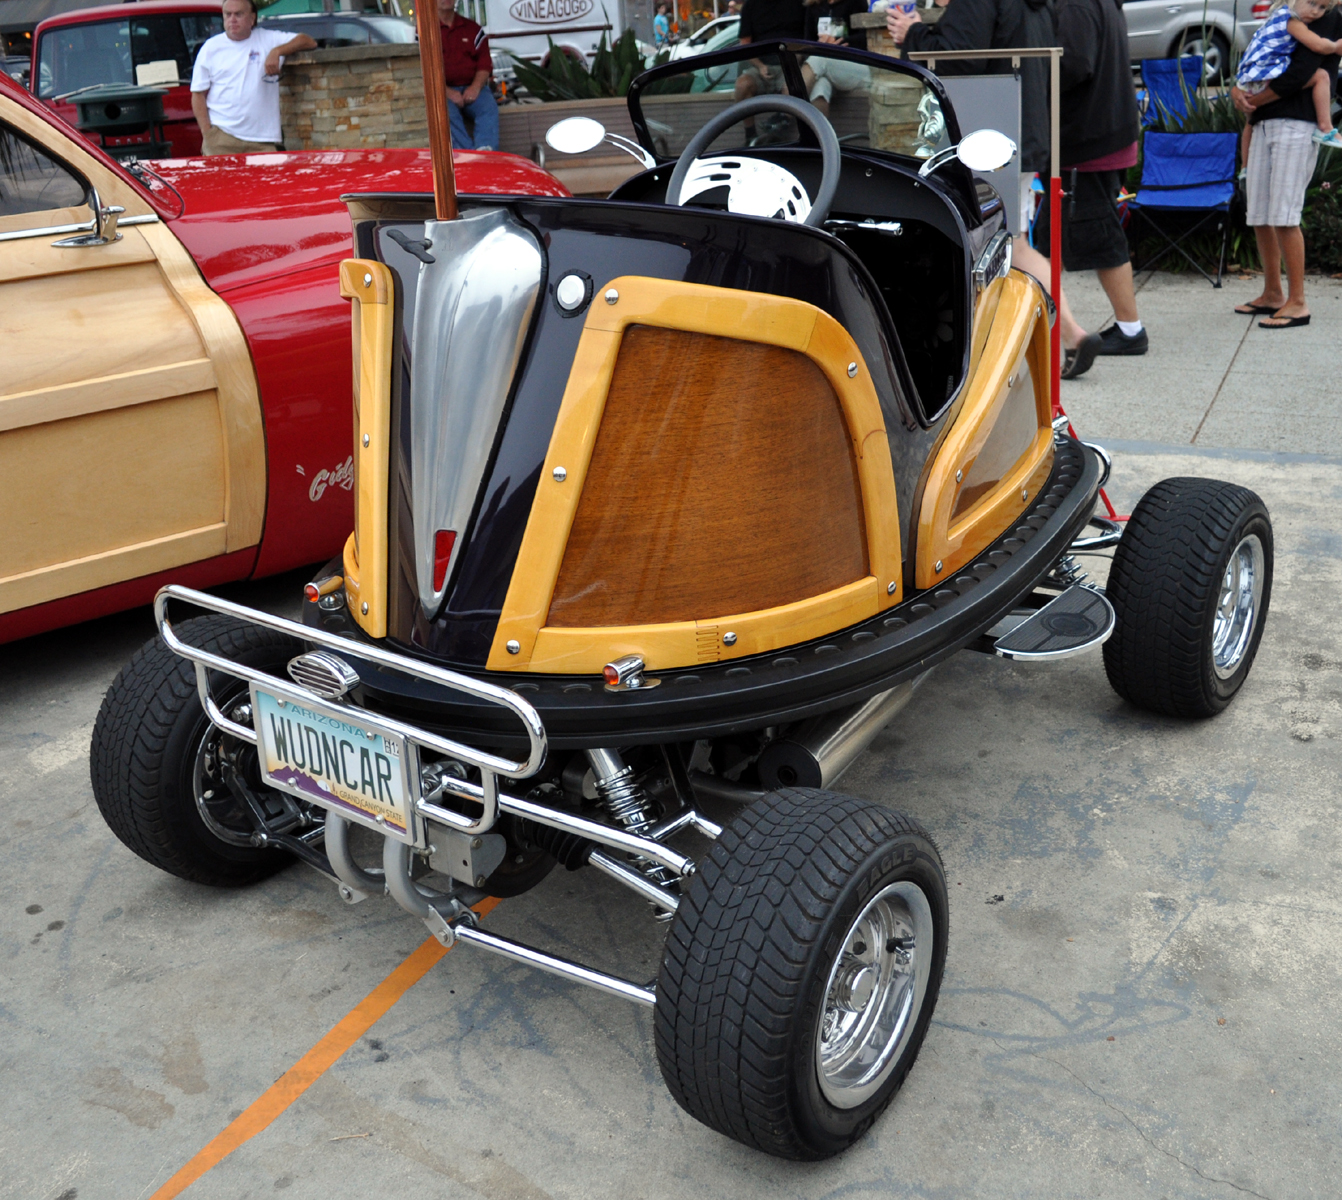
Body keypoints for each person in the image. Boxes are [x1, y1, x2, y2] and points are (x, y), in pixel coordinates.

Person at [1021, 0, 1145, 376]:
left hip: (1088, 138)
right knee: (1049, 239)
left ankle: (1129, 329)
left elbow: (1073, 64)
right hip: (1101, 132)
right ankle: (1055, 326)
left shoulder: (1075, 3)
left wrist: (1032, 75)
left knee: (1099, 234)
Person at [1232, 0, 1342, 328]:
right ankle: (1272, 293)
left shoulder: (1329, 14)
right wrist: (1238, 89)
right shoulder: (1287, 11)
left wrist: (1252, 99)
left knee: (1284, 214)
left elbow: (1302, 72)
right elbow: (1259, 56)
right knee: (1261, 214)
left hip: (1296, 121)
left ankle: (1297, 302)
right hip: (1265, 121)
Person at [190, 0, 316, 155]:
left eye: (239, 14)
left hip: (263, 140)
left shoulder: (268, 39)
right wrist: (207, 132)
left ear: (252, 18)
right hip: (222, 137)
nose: (232, 19)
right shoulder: (210, 48)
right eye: (228, 14)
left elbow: (308, 41)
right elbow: (198, 94)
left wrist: (277, 52)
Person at [1236, 0, 1342, 171]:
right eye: (1311, 3)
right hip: (1270, 78)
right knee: (1321, 76)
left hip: (1250, 78)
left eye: (1321, 7)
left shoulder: (1274, 17)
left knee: (1249, 123)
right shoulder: (1292, 20)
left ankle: (1245, 167)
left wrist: (1240, 89)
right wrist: (1336, 46)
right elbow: (1314, 50)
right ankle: (1325, 126)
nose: (1315, 11)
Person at [438, 0, 498, 152]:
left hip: (473, 86)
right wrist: (448, 92)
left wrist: (475, 88)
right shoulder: (425, 33)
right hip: (442, 90)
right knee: (445, 112)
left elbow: (485, 65)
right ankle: (468, 157)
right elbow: (422, 69)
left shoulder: (473, 29)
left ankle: (486, 152)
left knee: (488, 106)